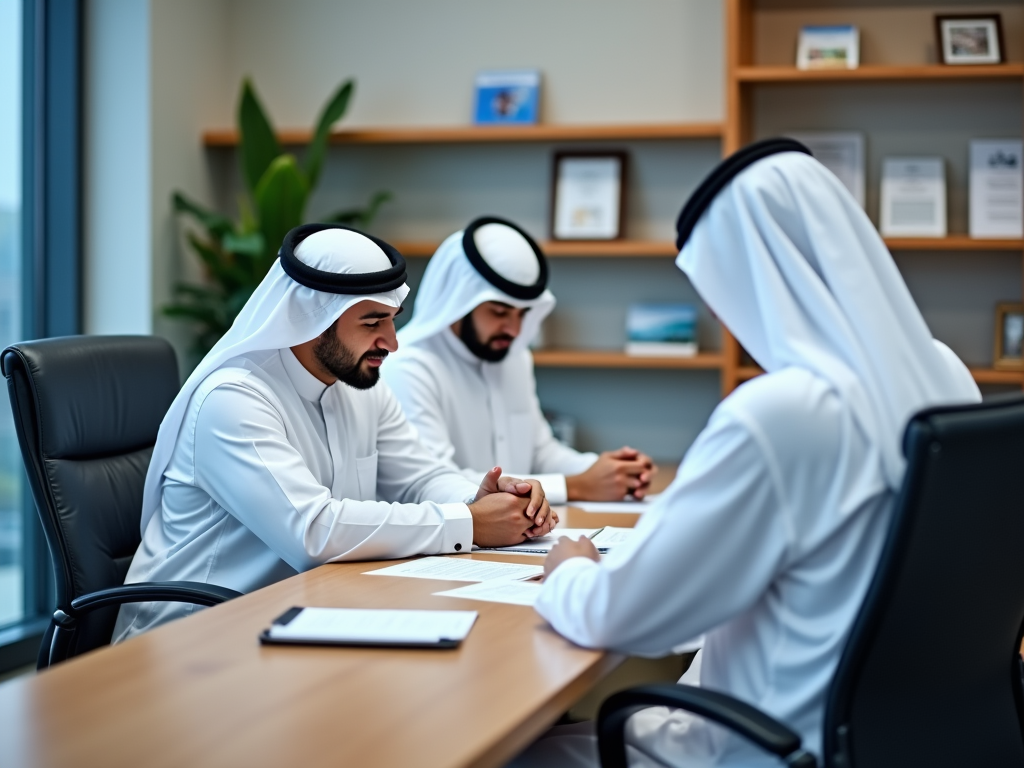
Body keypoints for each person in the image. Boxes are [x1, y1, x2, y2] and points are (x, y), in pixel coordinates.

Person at [510, 139, 981, 767]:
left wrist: (569, 567)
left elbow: (623, 617)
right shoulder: (946, 374)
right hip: (902, 737)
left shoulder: (783, 412)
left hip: (763, 745)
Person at [113, 224, 554, 643]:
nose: (391, 342)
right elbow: (313, 531)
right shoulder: (233, 399)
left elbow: (419, 478)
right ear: (313, 317)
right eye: (372, 322)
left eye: (392, 320)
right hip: (193, 639)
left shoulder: (359, 388)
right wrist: (471, 522)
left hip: (302, 617)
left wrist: (481, 499)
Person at [383, 216, 656, 505]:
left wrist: (612, 472)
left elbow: (541, 452)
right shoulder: (408, 367)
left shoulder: (514, 357)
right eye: (499, 313)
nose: (514, 330)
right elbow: (435, 482)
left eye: (522, 314)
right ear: (457, 303)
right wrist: (576, 486)